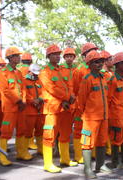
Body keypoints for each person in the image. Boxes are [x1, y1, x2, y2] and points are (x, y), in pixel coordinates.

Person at [40, 44, 77, 173]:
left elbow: (70, 84)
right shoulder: (45, 72)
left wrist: (71, 96)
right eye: (54, 54)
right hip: (53, 108)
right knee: (49, 136)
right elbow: (52, 89)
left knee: (66, 134)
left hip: (65, 108)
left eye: (58, 54)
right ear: (48, 56)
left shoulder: (63, 70)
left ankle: (65, 159)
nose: (57, 56)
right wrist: (67, 97)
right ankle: (48, 164)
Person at [78, 50, 111, 179]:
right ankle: (87, 169)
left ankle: (100, 165)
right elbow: (81, 100)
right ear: (90, 64)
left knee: (102, 141)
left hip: (103, 116)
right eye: (96, 62)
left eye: (101, 61)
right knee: (87, 143)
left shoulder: (103, 78)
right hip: (91, 118)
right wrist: (84, 115)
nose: (100, 64)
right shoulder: (87, 79)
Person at [0, 47, 30, 166]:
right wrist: (18, 101)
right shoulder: (3, 72)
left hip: (21, 107)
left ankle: (21, 153)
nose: (19, 57)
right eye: (16, 55)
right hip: (10, 108)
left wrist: (24, 101)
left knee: (21, 130)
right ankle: (3, 157)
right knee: (6, 132)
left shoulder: (18, 72)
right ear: (10, 58)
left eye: (18, 55)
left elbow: (23, 88)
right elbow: (5, 90)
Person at [23, 64, 44, 155]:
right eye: (34, 73)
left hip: (39, 110)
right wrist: (32, 101)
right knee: (28, 131)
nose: (36, 75)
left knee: (40, 131)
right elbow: (24, 94)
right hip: (29, 111)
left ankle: (40, 149)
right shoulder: (24, 81)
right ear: (29, 71)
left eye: (37, 74)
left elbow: (44, 92)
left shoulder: (39, 81)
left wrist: (40, 99)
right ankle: (24, 151)